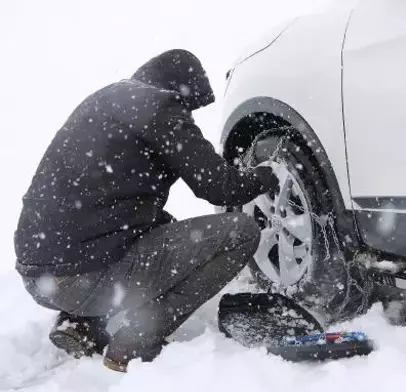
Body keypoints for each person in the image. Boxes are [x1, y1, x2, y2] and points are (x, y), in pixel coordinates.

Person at [13, 49, 278, 372]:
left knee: (155, 235)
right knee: (239, 233)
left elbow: (111, 207)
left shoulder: (108, 103)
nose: (189, 116)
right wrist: (268, 174)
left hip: (39, 277)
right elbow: (220, 187)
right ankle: (134, 343)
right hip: (82, 275)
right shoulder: (160, 106)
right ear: (180, 87)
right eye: (190, 105)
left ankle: (81, 326)